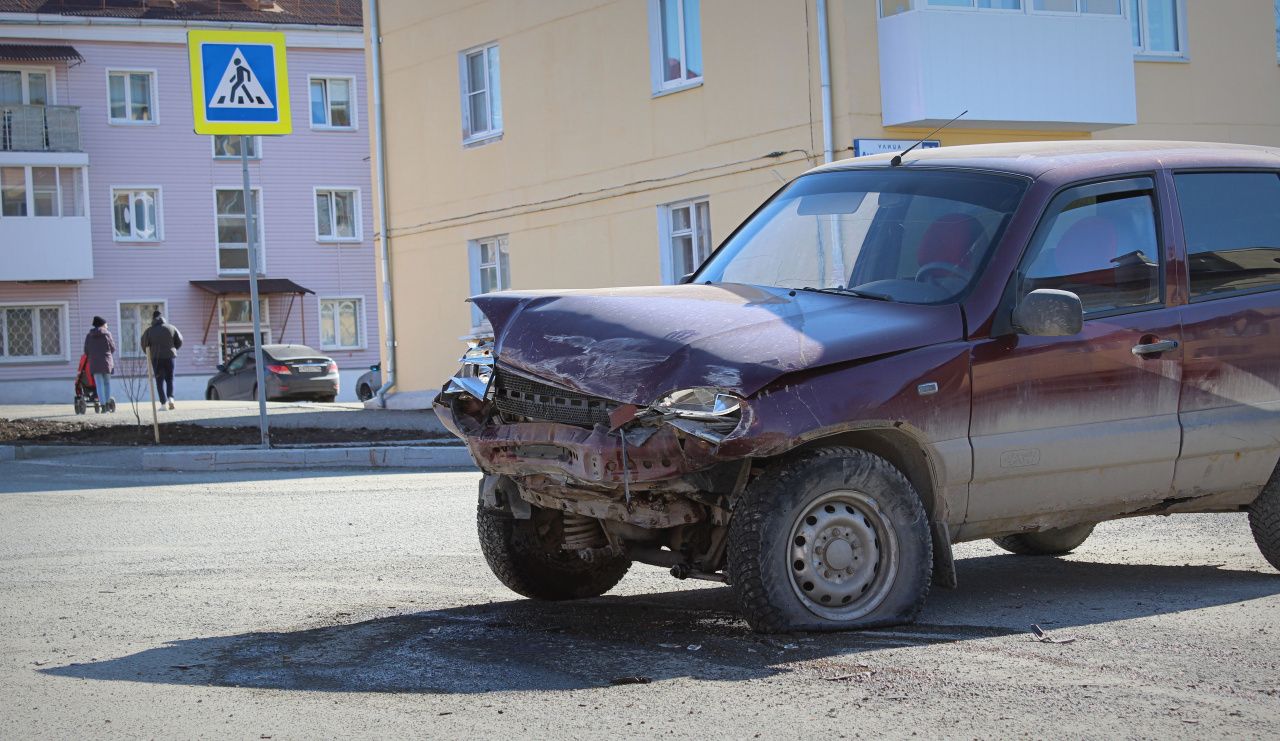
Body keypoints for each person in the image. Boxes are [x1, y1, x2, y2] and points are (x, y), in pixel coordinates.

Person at [141, 310, 183, 410]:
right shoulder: (171, 328)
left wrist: (149, 353)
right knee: (170, 378)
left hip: (156, 358)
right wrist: (173, 348)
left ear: (153, 319)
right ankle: (171, 398)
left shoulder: (149, 331)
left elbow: (144, 344)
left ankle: (163, 404)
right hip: (170, 356)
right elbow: (180, 340)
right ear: (162, 318)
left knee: (159, 381)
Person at [83, 316, 116, 411]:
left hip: (94, 362)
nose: (107, 326)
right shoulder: (107, 334)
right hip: (107, 362)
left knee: (99, 384)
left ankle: (103, 406)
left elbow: (86, 351)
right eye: (106, 324)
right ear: (102, 324)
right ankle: (107, 402)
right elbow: (113, 348)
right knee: (107, 383)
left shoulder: (89, 335)